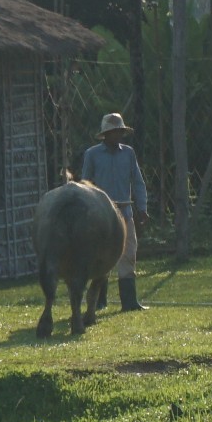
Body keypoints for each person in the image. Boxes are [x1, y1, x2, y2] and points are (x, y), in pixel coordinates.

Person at [78, 112, 149, 312]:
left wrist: (142, 207)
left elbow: (137, 181)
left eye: (120, 131)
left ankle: (129, 301)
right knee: (101, 257)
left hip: (125, 211)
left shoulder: (128, 153)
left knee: (128, 253)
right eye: (114, 132)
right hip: (102, 213)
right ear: (106, 134)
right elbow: (86, 184)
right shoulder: (92, 154)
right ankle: (99, 300)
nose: (118, 135)